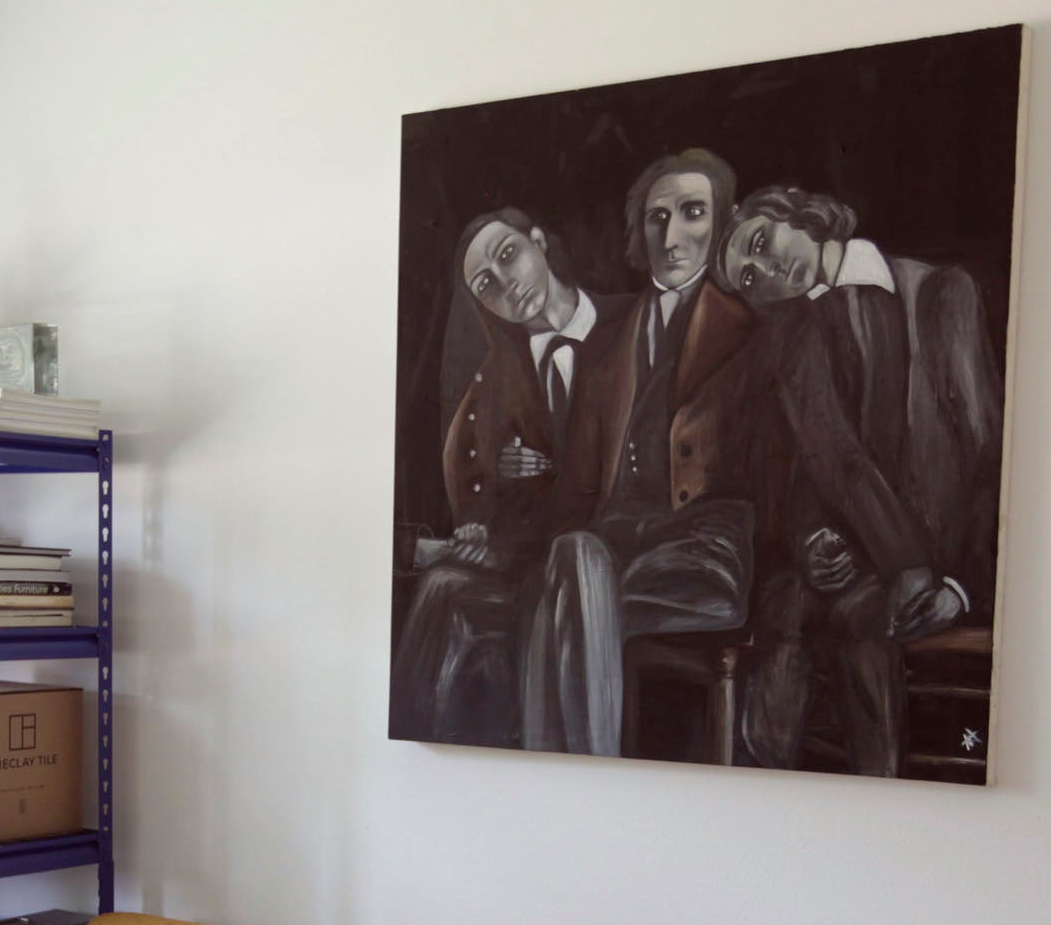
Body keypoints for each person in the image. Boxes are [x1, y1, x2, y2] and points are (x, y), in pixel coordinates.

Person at [715, 184, 1004, 773]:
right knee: (797, 608)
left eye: (760, 243)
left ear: (797, 215)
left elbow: (990, 461)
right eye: (749, 278)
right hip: (854, 574)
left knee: (858, 621)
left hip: (948, 564)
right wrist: (813, 539)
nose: (766, 271)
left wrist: (960, 585)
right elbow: (819, 472)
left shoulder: (942, 294)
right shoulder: (793, 344)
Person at [523, 148, 784, 758]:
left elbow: (777, 476)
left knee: (566, 587)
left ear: (723, 222)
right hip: (611, 553)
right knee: (570, 563)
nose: (672, 236)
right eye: (657, 218)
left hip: (705, 557)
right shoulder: (606, 341)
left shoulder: (754, 325)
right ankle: (578, 764)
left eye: (693, 212)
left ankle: (565, 771)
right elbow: (578, 490)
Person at [391, 209, 625, 746]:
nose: (505, 284)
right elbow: (477, 488)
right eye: (485, 285)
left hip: (605, 548)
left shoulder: (630, 323)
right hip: (527, 553)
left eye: (508, 255)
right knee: (442, 588)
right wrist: (491, 504)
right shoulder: (497, 375)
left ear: (538, 240)